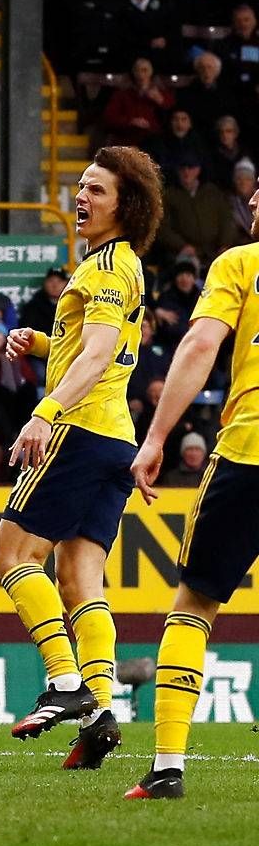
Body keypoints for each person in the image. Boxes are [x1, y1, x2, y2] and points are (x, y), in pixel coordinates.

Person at [0, 146, 164, 768]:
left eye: (96, 190)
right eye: (80, 186)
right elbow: (104, 351)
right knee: (79, 579)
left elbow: (95, 359)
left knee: (11, 556)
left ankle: (68, 684)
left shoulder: (101, 271)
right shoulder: (123, 268)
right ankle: (97, 715)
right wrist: (45, 343)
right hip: (115, 440)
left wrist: (43, 412)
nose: (81, 198)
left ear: (128, 205)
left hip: (79, 430)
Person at [127, 185, 259, 799]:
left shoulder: (239, 264)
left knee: (193, 607)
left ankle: (168, 768)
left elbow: (201, 343)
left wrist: (156, 437)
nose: (251, 208)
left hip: (247, 453)